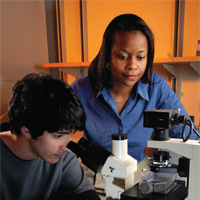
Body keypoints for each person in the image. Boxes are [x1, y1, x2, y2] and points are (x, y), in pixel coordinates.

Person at [71, 13, 200, 183]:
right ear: (108, 55)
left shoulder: (156, 87)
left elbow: (189, 136)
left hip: (139, 175)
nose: (132, 65)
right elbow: (54, 135)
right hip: (95, 175)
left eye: (140, 57)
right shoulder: (81, 90)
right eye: (123, 57)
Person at [0, 72, 100, 200]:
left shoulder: (62, 156)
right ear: (27, 131)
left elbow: (85, 194)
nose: (67, 146)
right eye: (58, 136)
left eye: (70, 134)